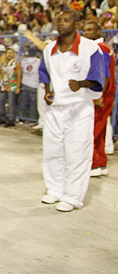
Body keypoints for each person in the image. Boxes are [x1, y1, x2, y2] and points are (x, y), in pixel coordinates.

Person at [39, 11, 104, 212]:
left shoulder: (91, 48)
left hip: (79, 108)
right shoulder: (50, 49)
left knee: (76, 152)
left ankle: (73, 196)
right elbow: (45, 74)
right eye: (58, 20)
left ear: (77, 24)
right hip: (56, 109)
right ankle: (55, 189)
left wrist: (81, 83)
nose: (61, 23)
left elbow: (98, 79)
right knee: (52, 151)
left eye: (66, 20)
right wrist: (48, 92)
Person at [82, 20, 114, 177]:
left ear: (98, 32)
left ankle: (93, 164)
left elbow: (105, 73)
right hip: (106, 95)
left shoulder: (100, 48)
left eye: (89, 30)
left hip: (101, 95)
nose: (85, 33)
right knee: (100, 131)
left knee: (92, 131)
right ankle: (101, 162)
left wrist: (99, 95)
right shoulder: (105, 48)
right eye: (84, 30)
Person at [0, 46, 22, 127]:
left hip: (12, 85)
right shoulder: (4, 63)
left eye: (11, 53)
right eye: (8, 53)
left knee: (11, 103)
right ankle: (2, 117)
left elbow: (19, 75)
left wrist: (18, 86)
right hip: (4, 85)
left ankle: (11, 119)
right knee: (1, 101)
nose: (9, 54)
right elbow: (1, 74)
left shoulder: (15, 64)